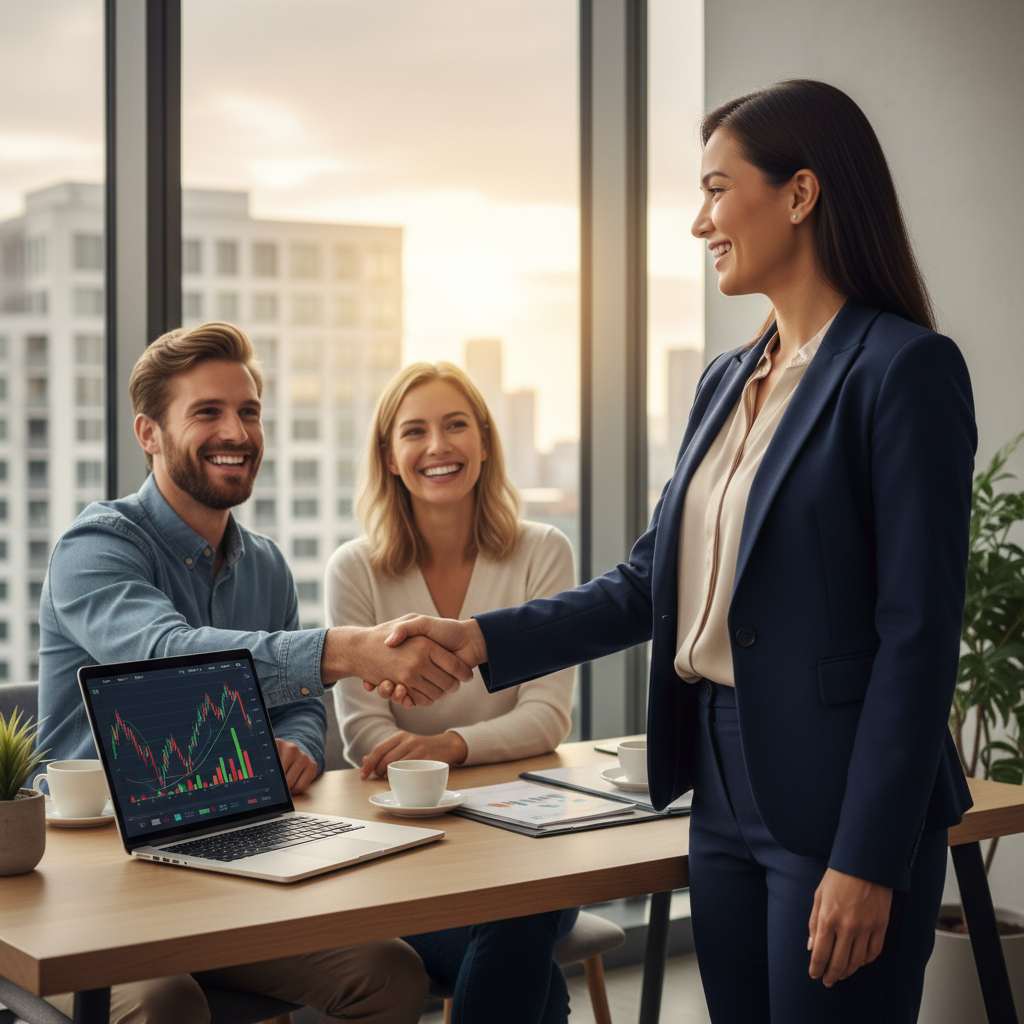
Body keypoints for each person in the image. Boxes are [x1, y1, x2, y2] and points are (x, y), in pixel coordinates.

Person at [376, 80, 977, 1023]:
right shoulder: (728, 380)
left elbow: (919, 636)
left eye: (714, 189)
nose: (701, 223)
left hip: (839, 791)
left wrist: (867, 855)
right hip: (721, 777)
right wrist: (475, 640)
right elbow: (648, 583)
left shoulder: (902, 370)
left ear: (800, 194)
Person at [36, 322, 472, 1023]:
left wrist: (299, 740)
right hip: (91, 881)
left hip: (229, 856)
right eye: (206, 412)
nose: (235, 430)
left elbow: (296, 700)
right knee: (168, 1001)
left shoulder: (263, 562)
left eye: (248, 411)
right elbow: (165, 654)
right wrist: (344, 650)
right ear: (149, 434)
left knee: (389, 972)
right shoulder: (94, 548)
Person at [326, 361, 579, 1024]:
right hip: (408, 841)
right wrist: (432, 768)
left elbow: (547, 718)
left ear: (486, 442)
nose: (437, 446)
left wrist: (444, 747)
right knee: (524, 955)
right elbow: (364, 735)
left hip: (529, 836)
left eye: (455, 425)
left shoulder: (543, 552)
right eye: (415, 431)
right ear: (389, 457)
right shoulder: (354, 569)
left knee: (517, 913)